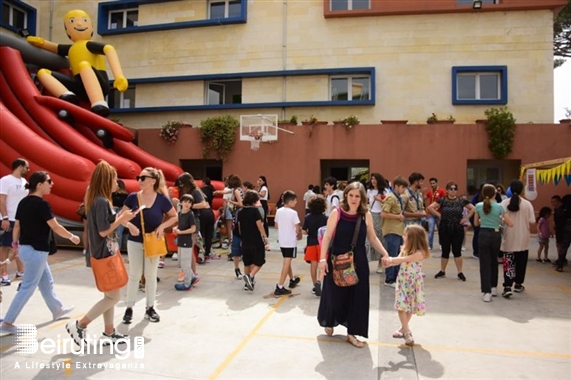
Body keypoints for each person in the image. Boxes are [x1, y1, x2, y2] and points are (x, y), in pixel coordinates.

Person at [65, 161, 137, 346]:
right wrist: (122, 218)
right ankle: (80, 325)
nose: (117, 183)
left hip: (104, 253)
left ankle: (109, 332)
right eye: (114, 179)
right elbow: (104, 231)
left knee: (110, 296)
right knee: (114, 297)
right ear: (106, 180)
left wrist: (123, 219)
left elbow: (103, 226)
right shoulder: (102, 201)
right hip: (105, 254)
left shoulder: (97, 200)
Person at [0, 171, 79, 334]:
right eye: (49, 181)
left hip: (26, 250)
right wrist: (72, 237)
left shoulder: (23, 202)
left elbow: (17, 226)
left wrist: (15, 246)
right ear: (39, 184)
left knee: (46, 283)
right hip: (36, 252)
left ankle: (57, 310)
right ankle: (8, 322)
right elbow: (55, 226)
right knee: (27, 288)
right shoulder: (42, 205)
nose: (52, 184)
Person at [317, 182, 389, 348]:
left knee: (358, 297)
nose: (354, 199)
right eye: (351, 195)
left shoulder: (366, 215)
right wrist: (322, 259)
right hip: (337, 258)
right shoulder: (337, 213)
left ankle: (352, 333)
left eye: (357, 196)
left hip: (358, 259)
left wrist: (385, 253)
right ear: (346, 196)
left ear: (362, 198)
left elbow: (372, 238)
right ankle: (330, 320)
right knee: (334, 293)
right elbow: (327, 237)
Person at [27, 9, 128, 116]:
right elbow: (56, 48)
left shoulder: (89, 45)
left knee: (83, 65)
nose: (79, 23)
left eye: (84, 20)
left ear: (91, 26)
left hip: (99, 83)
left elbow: (109, 49)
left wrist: (119, 76)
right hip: (79, 85)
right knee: (43, 72)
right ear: (67, 30)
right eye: (72, 21)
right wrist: (41, 43)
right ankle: (67, 95)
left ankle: (99, 103)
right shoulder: (71, 49)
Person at [121, 167, 177, 324]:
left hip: (153, 241)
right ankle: (129, 307)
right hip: (135, 241)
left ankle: (150, 307)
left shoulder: (162, 199)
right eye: (139, 177)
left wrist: (161, 227)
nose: (139, 180)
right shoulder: (133, 197)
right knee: (135, 275)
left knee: (151, 276)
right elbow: (121, 217)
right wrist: (129, 225)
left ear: (153, 181)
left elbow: (174, 216)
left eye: (143, 178)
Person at [382, 225, 431, 346]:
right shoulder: (404, 248)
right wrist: (389, 264)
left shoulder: (421, 253)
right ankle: (407, 331)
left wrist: (391, 259)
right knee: (401, 306)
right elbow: (399, 260)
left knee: (410, 307)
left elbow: (404, 259)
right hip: (403, 281)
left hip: (413, 282)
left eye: (405, 235)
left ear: (413, 238)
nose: (403, 237)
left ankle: (404, 328)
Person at [427, 181, 474, 282]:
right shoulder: (442, 200)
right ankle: (442, 270)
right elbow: (430, 207)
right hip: (445, 227)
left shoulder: (461, 201)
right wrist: (439, 215)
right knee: (445, 250)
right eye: (451, 189)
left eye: (455, 189)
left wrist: (466, 218)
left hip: (457, 227)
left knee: (457, 250)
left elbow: (473, 208)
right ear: (447, 190)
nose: (453, 191)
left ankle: (460, 272)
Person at [474, 184, 513, 302]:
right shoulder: (500, 207)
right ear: (495, 194)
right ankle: (494, 286)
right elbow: (510, 223)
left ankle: (487, 291)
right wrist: (499, 220)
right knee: (494, 260)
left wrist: (483, 220)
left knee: (484, 263)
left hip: (483, 234)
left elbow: (476, 223)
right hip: (496, 234)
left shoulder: (479, 206)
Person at [499, 180, 535, 297]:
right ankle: (518, 284)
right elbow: (532, 221)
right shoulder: (527, 204)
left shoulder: (504, 203)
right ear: (522, 190)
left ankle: (507, 286)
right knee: (521, 262)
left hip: (508, 238)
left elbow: (499, 219)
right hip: (523, 239)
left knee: (508, 262)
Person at [176, 173, 216, 263]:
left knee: (190, 247)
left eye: (182, 183)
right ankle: (189, 270)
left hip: (195, 219)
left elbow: (203, 204)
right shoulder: (185, 191)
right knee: (187, 248)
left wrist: (189, 206)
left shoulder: (195, 191)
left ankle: (193, 270)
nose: (180, 185)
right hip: (186, 219)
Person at [0, 158, 29, 286]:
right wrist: (5, 218)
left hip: (21, 219)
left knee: (18, 246)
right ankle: (3, 274)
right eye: (26, 167)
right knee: (6, 247)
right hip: (9, 219)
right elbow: (1, 200)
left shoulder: (24, 182)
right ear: (20, 167)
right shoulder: (6, 180)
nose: (28, 170)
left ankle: (20, 271)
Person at [238, 191, 270, 291]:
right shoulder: (255, 211)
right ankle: (250, 276)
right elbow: (260, 225)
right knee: (260, 260)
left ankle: (247, 284)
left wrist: (242, 237)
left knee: (247, 262)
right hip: (255, 239)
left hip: (245, 239)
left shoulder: (241, 211)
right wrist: (265, 237)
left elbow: (239, 226)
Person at [381, 176, 408, 288]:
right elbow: (383, 213)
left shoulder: (398, 198)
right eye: (402, 187)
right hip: (391, 230)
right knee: (392, 255)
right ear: (396, 186)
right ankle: (389, 279)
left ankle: (396, 277)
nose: (404, 190)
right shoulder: (391, 198)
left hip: (398, 230)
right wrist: (397, 216)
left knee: (397, 255)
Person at [274, 190, 302, 296]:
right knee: (286, 263)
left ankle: (292, 279)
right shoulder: (293, 213)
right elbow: (297, 227)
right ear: (290, 201)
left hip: (282, 240)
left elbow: (276, 225)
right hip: (290, 241)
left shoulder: (279, 211)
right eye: (295, 201)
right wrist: (299, 234)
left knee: (287, 261)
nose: (295, 203)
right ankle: (280, 286)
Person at [173, 194, 199, 291]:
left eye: (189, 202)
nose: (187, 204)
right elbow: (180, 225)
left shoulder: (190, 214)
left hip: (186, 242)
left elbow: (193, 229)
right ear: (181, 202)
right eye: (185, 201)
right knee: (181, 262)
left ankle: (187, 284)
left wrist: (181, 232)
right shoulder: (180, 213)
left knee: (185, 263)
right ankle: (192, 276)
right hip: (180, 241)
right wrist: (176, 229)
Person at [302, 196, 327, 296]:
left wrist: (309, 232)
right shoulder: (325, 218)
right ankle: (320, 281)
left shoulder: (308, 217)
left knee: (313, 264)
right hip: (322, 243)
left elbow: (303, 231)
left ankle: (314, 284)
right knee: (322, 264)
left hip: (311, 242)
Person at [366, 173, 388, 272]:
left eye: (375, 179)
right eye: (372, 179)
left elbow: (388, 203)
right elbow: (366, 202)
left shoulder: (385, 191)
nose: (373, 181)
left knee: (380, 237)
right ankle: (368, 261)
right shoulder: (369, 191)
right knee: (369, 238)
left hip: (381, 215)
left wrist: (379, 199)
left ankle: (380, 262)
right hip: (371, 214)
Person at [423, 177, 446, 251]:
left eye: (433, 183)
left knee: (441, 230)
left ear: (437, 183)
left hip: (439, 213)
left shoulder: (441, 191)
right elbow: (423, 199)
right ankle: (430, 245)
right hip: (431, 214)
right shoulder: (429, 192)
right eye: (431, 183)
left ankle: (441, 244)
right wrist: (422, 193)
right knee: (431, 229)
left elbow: (444, 201)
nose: (432, 185)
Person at [554, 195, 571, 272]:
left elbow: (559, 223)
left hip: (565, 229)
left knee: (563, 247)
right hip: (566, 229)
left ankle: (560, 265)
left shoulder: (561, 211)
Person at [112, 179, 128, 251]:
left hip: (120, 212)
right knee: (116, 232)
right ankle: (115, 250)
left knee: (118, 232)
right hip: (115, 211)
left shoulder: (125, 195)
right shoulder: (112, 194)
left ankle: (117, 250)